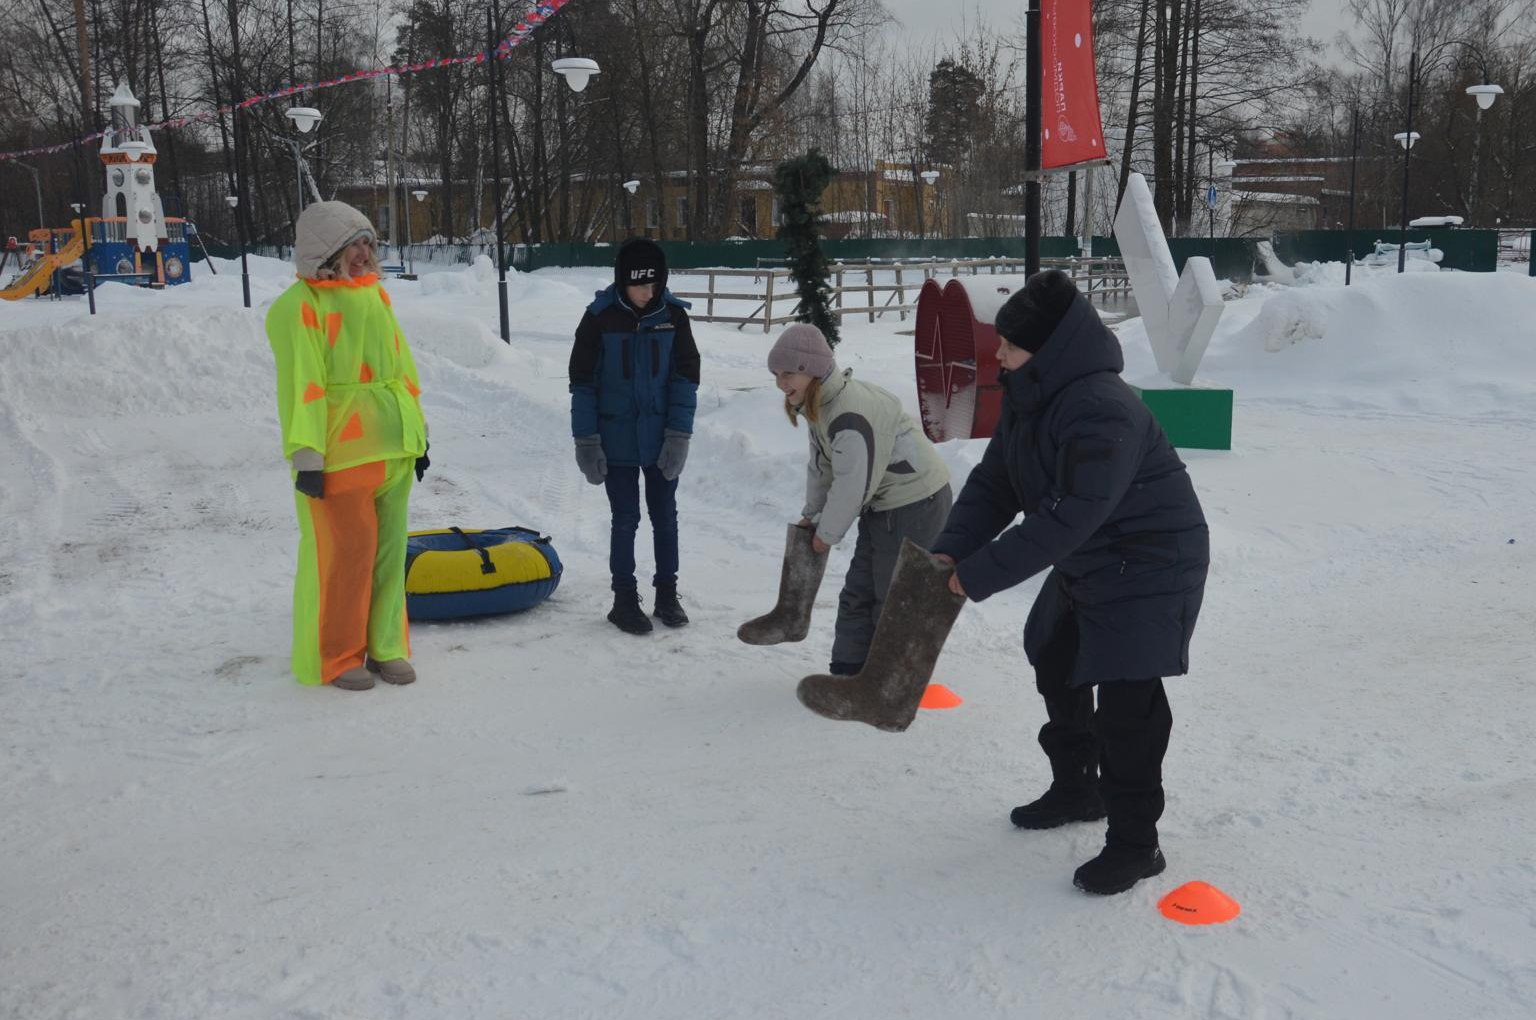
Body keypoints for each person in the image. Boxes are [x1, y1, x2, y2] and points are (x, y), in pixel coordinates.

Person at [929, 269, 1209, 895]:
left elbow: (1071, 515)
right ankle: (1078, 788)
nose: (996, 354)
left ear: (1048, 348)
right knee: (1055, 658)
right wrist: (952, 552)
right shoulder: (1032, 395)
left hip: (1151, 560)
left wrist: (976, 577)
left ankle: (1138, 844)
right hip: (1094, 554)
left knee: (1128, 702)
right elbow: (996, 482)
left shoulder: (1101, 408)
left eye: (1009, 344)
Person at [265, 201, 430, 691]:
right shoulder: (299, 308)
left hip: (392, 451)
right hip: (341, 455)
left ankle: (387, 644)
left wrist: (417, 435)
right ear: (327, 251)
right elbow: (303, 386)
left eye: (368, 244)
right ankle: (337, 655)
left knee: (387, 555)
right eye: (354, 244)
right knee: (344, 559)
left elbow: (403, 368)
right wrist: (307, 457)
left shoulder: (376, 298)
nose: (364, 254)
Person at [739, 324, 952, 678]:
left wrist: (828, 531)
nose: (781, 383)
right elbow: (822, 466)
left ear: (812, 371)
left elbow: (853, 484)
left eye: (788, 374)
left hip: (916, 503)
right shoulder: (820, 404)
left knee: (893, 596)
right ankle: (846, 670)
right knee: (858, 591)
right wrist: (814, 515)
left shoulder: (849, 413)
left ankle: (889, 684)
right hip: (884, 505)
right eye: (776, 375)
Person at [569, 238, 700, 635]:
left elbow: (685, 379)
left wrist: (679, 434)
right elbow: (583, 384)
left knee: (666, 517)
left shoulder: (673, 317)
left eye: (655, 284)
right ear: (623, 282)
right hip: (616, 439)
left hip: (661, 437)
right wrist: (587, 441)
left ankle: (667, 593)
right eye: (641, 285)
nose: (649, 292)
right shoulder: (599, 319)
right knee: (625, 519)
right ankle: (623, 599)